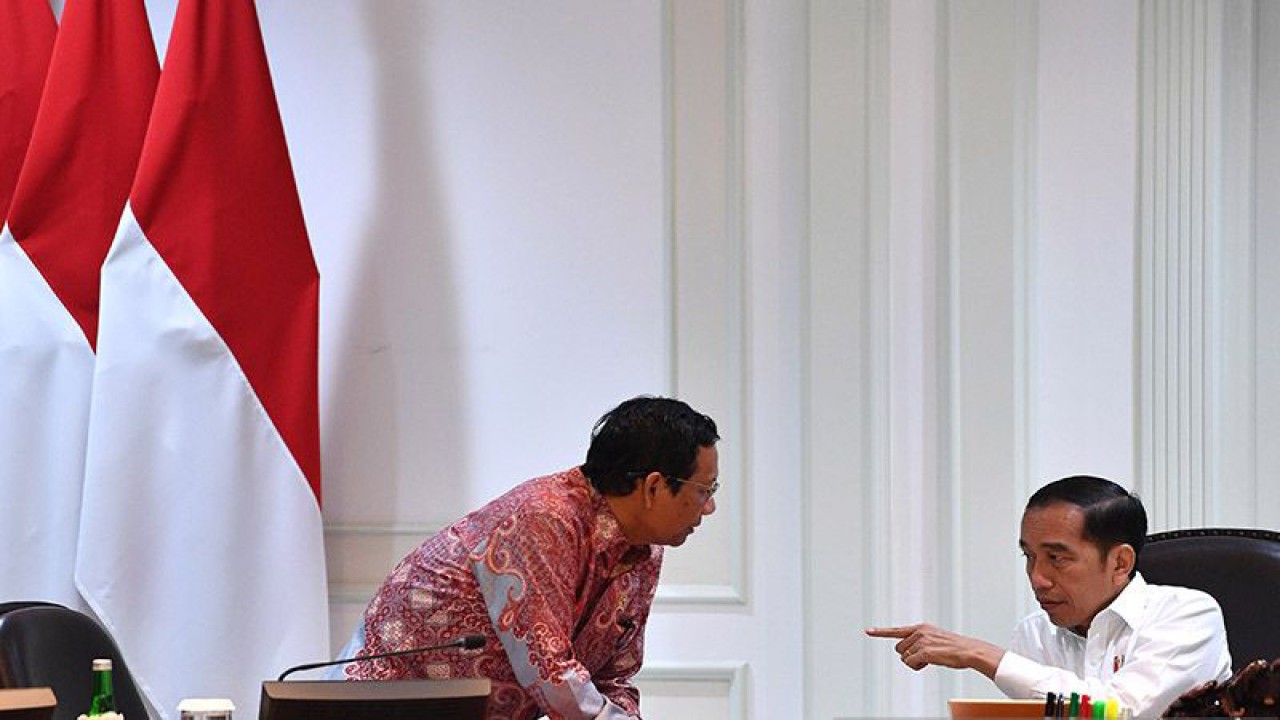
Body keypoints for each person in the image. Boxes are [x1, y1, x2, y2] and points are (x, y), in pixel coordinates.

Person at [347, 396, 720, 720]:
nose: (710, 508)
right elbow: (551, 672)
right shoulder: (544, 518)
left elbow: (613, 679)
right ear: (654, 486)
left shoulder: (644, 550)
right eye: (704, 490)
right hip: (378, 707)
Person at [867, 475, 1231, 718]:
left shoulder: (1188, 614)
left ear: (1120, 562)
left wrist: (983, 655)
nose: (1038, 578)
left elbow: (1123, 711)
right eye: (1029, 556)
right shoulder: (1036, 633)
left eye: (1057, 558)